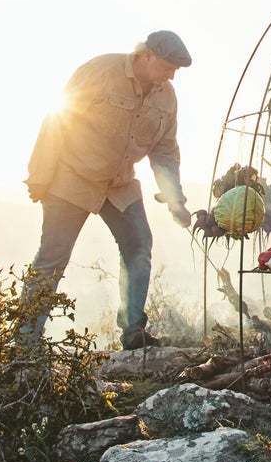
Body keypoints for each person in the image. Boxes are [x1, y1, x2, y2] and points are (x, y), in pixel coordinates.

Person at [23, 31, 193, 350]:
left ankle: (132, 332)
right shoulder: (100, 71)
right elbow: (57, 118)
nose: (172, 76)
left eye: (175, 71)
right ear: (147, 56)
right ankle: (25, 344)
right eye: (168, 67)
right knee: (52, 259)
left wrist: (175, 199)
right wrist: (40, 175)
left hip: (119, 184)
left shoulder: (166, 96)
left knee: (139, 245)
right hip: (73, 179)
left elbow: (165, 152)